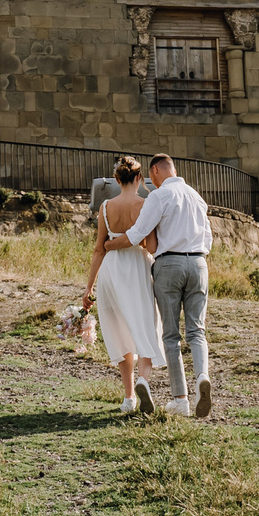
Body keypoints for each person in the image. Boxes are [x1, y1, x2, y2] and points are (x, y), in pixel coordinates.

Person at [104, 152, 214, 417]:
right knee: (197, 331)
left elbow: (138, 234)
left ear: (154, 173)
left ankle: (181, 400)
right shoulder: (197, 197)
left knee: (171, 336)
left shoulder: (159, 195)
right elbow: (208, 236)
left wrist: (110, 244)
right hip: (199, 263)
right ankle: (202, 375)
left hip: (169, 265)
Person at [83, 155, 165, 412]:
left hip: (111, 271)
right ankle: (144, 381)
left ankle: (129, 398)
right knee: (145, 327)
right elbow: (151, 246)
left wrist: (89, 287)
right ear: (140, 178)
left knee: (119, 331)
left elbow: (99, 250)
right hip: (137, 268)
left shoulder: (105, 207)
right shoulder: (145, 204)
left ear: (117, 179)